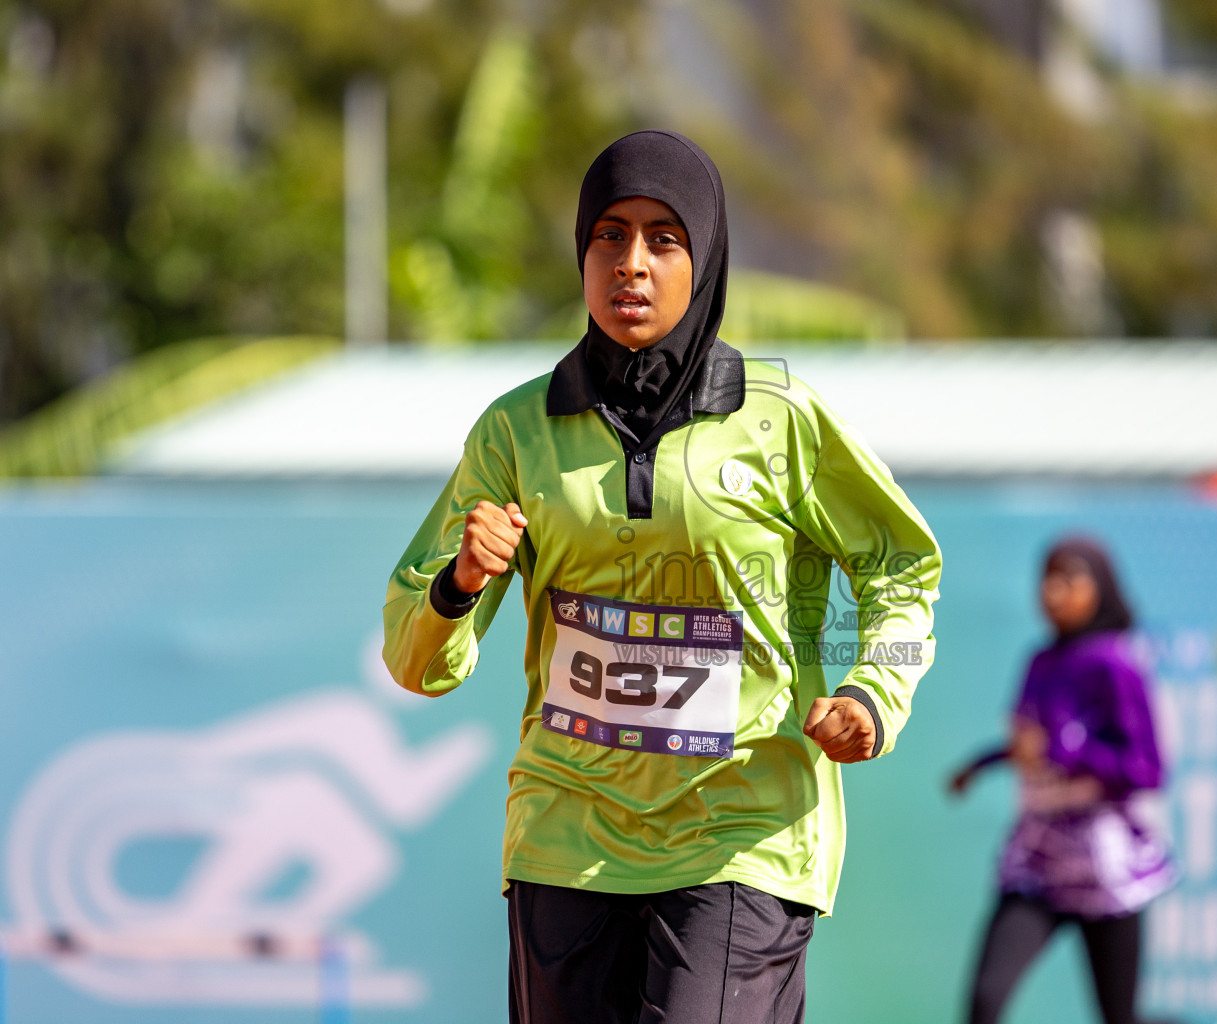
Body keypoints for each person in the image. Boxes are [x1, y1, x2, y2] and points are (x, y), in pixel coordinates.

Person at [381, 130, 941, 1024]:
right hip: (566, 836)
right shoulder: (515, 431)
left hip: (742, 831)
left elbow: (903, 567)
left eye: (663, 239)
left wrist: (876, 691)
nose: (631, 264)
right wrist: (456, 584)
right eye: (609, 235)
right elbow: (416, 661)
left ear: (706, 257)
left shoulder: (780, 419)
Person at [951, 536, 1176, 1024]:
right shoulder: (1041, 660)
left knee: (1119, 1015)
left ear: (1101, 587)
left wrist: (1062, 750)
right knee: (985, 999)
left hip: (1105, 867)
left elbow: (1147, 769)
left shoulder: (1116, 662)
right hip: (1040, 859)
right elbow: (1029, 743)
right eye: (1048, 579)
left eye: (1070, 579)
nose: (1054, 592)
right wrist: (981, 764)